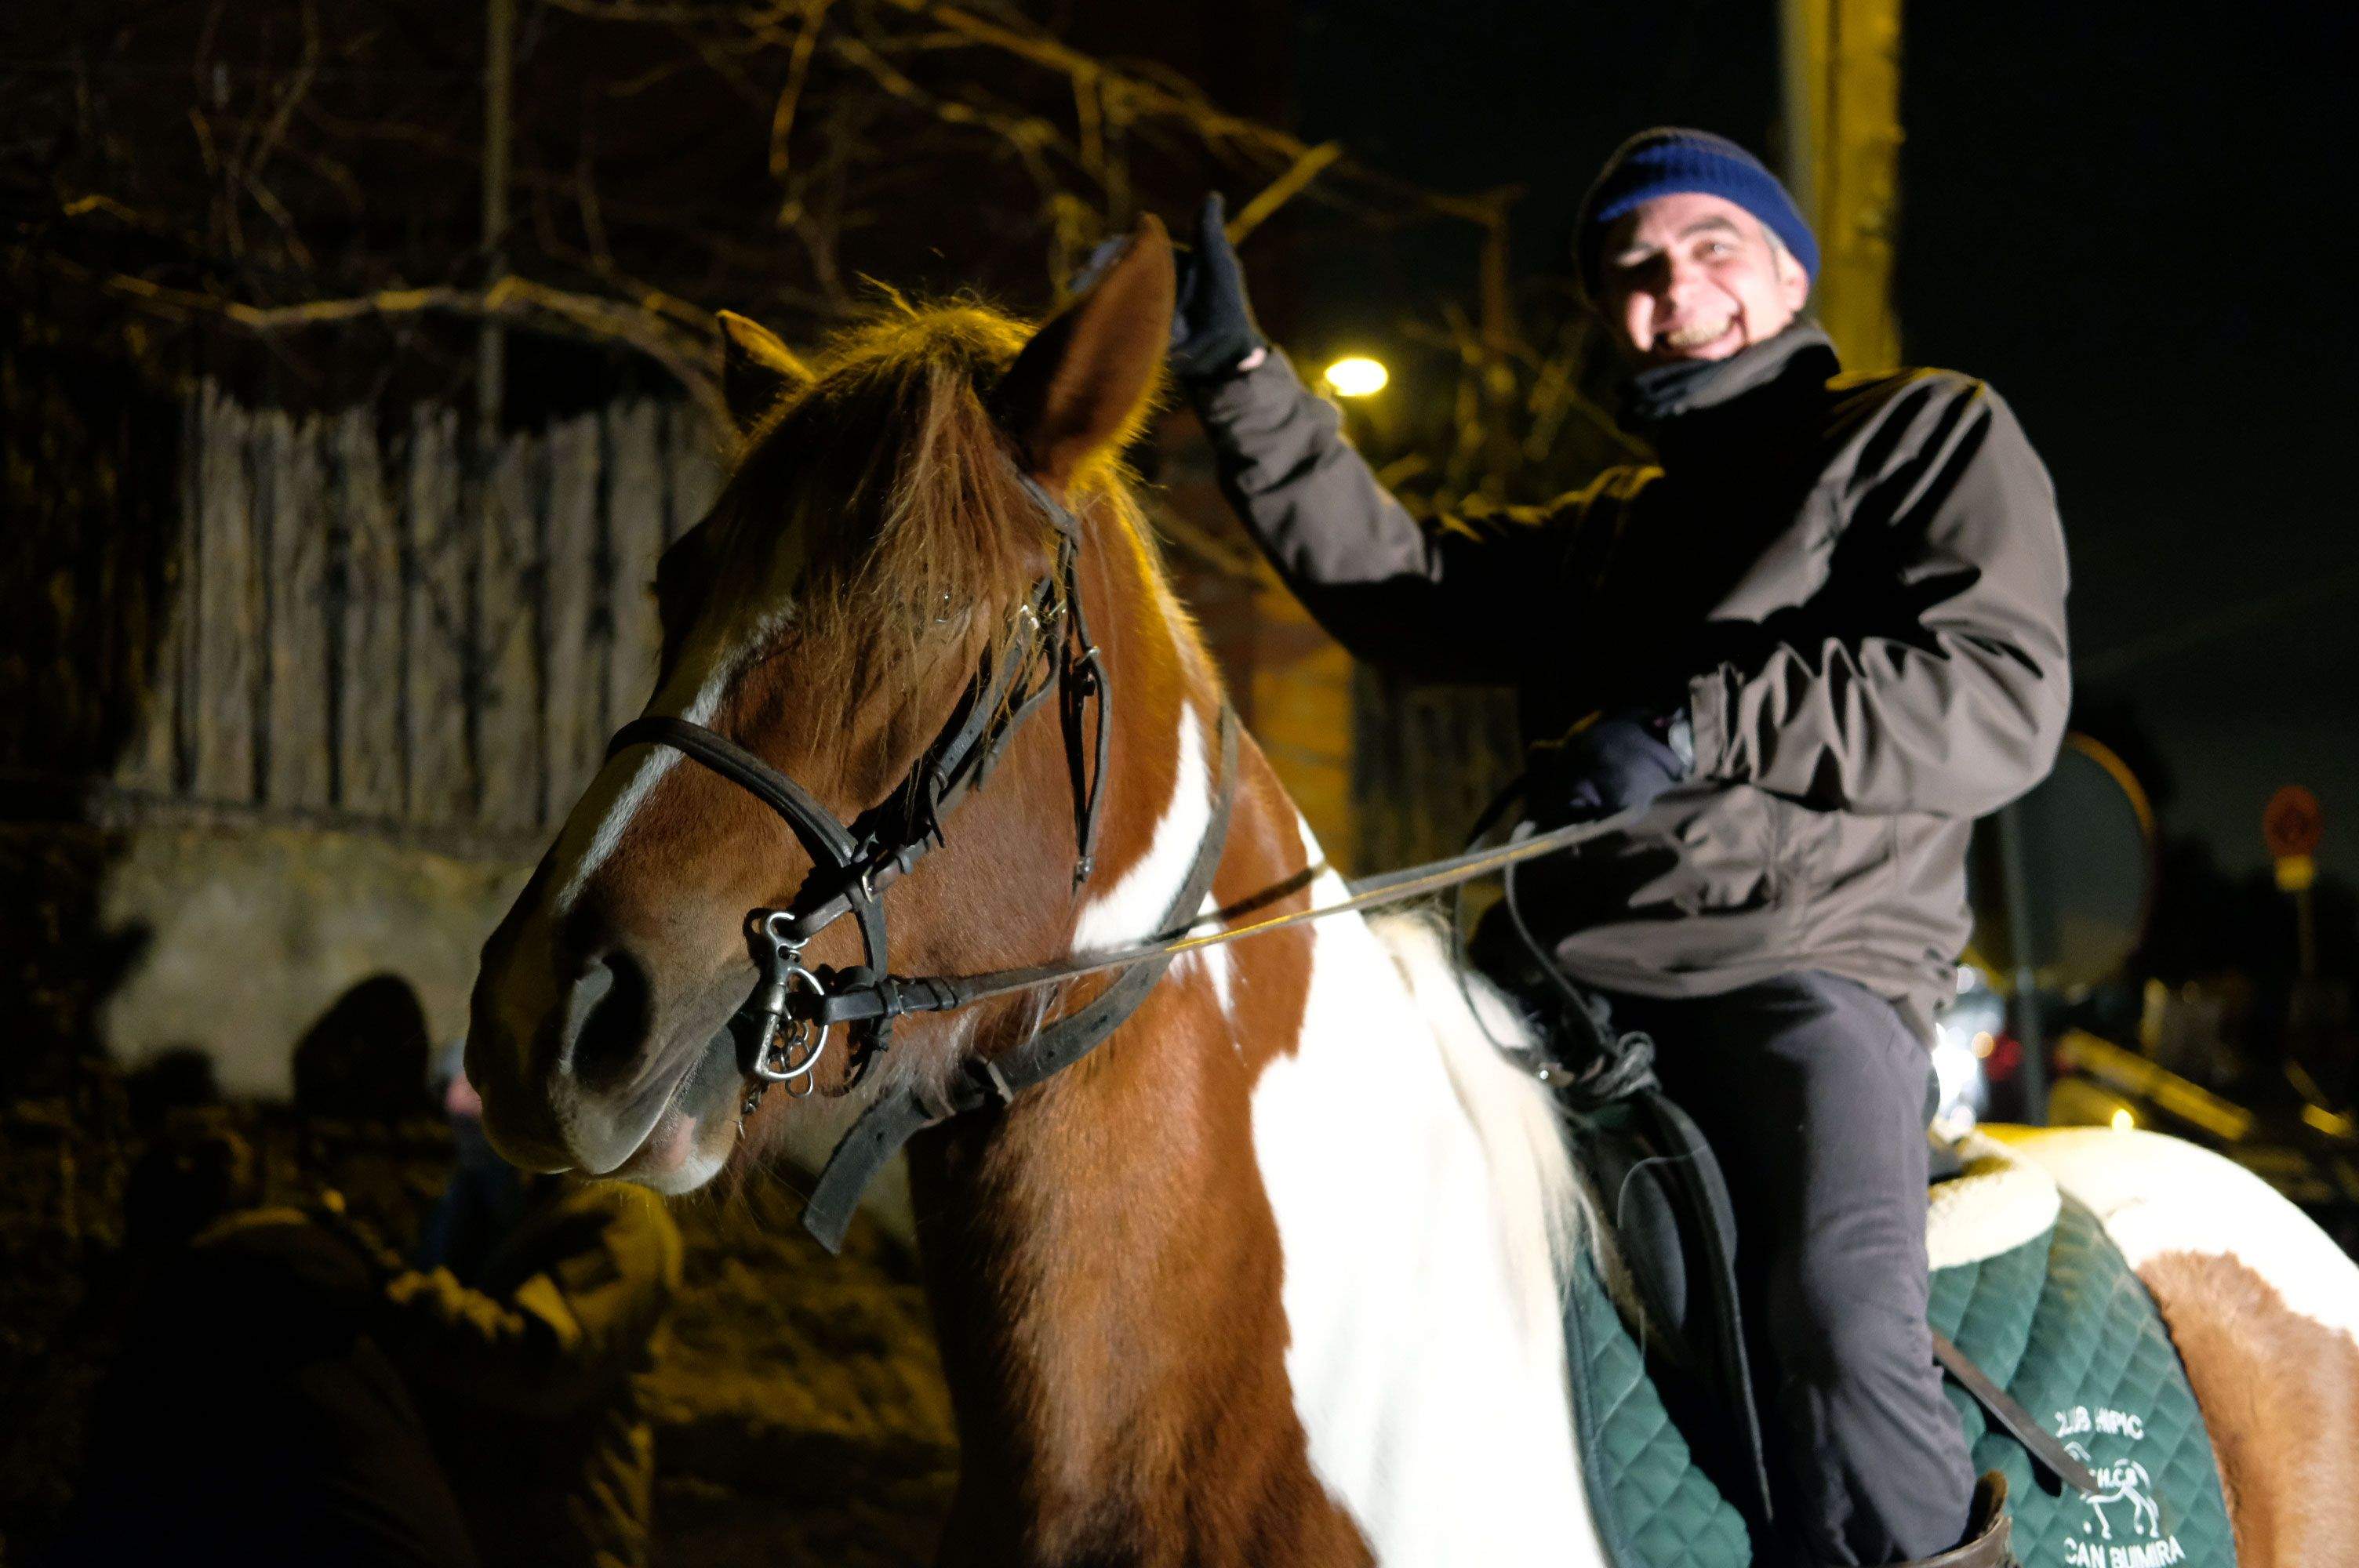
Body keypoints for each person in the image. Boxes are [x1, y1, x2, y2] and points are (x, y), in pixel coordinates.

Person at [1169, 129, 2070, 1567]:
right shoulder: (1610, 536)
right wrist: (1238, 383)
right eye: (1634, 269)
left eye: (1713, 247)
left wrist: (1697, 718)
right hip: (1553, 987)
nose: (1674, 285)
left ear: (1789, 273)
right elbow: (1408, 588)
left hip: (1800, 976)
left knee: (1836, 1318)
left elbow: (1998, 703)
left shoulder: (1926, 433)